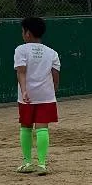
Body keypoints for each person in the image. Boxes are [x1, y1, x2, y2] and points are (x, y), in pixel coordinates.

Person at [15, 16, 61, 175]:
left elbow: (21, 72)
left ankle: (27, 162)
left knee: (26, 127)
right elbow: (55, 74)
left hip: (27, 96)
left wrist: (24, 90)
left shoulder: (20, 50)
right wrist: (53, 89)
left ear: (27, 33)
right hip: (46, 95)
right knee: (42, 128)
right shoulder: (52, 52)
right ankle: (41, 163)